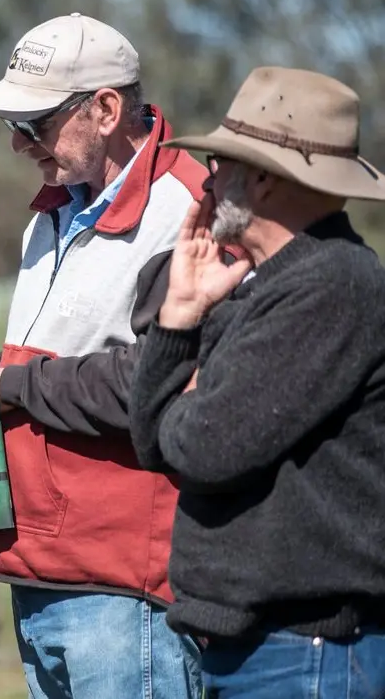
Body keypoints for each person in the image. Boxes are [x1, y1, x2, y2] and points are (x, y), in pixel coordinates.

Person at [0, 13, 205, 698]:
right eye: (12, 127)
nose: (21, 145)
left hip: (127, 592)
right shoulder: (52, 211)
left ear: (107, 109)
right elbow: (47, 362)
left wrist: (8, 382)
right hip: (43, 571)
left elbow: (160, 381)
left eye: (36, 124)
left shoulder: (187, 211)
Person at [129, 66, 385, 697]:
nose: (209, 179)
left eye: (222, 163)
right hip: (270, 651)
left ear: (264, 178)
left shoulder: (332, 284)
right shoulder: (271, 288)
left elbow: (205, 448)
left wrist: (189, 405)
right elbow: (155, 441)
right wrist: (181, 318)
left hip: (305, 653)